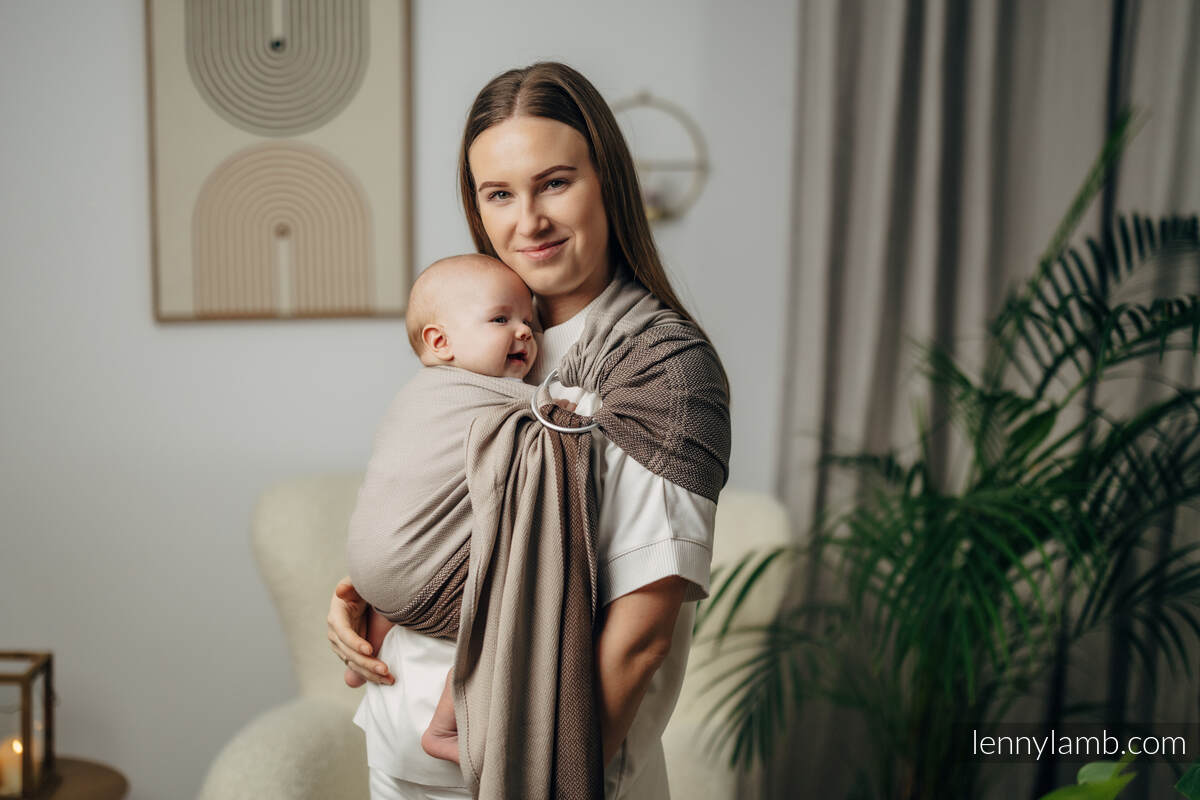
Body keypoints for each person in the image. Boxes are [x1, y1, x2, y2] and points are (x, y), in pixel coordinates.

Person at [327, 62, 731, 800]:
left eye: (555, 182)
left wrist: (544, 784)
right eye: (499, 194)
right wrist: (373, 595)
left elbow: (638, 644)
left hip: (527, 778)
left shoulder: (659, 369)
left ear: (607, 180)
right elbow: (443, 506)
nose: (528, 221)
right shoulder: (488, 341)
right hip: (397, 753)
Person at [342, 252, 541, 763]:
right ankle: (447, 726)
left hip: (367, 572)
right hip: (417, 575)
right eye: (501, 319)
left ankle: (364, 654)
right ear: (440, 342)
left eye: (530, 322)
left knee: (407, 568)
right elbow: (562, 416)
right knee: (513, 613)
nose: (523, 333)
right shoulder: (500, 398)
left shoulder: (414, 396)